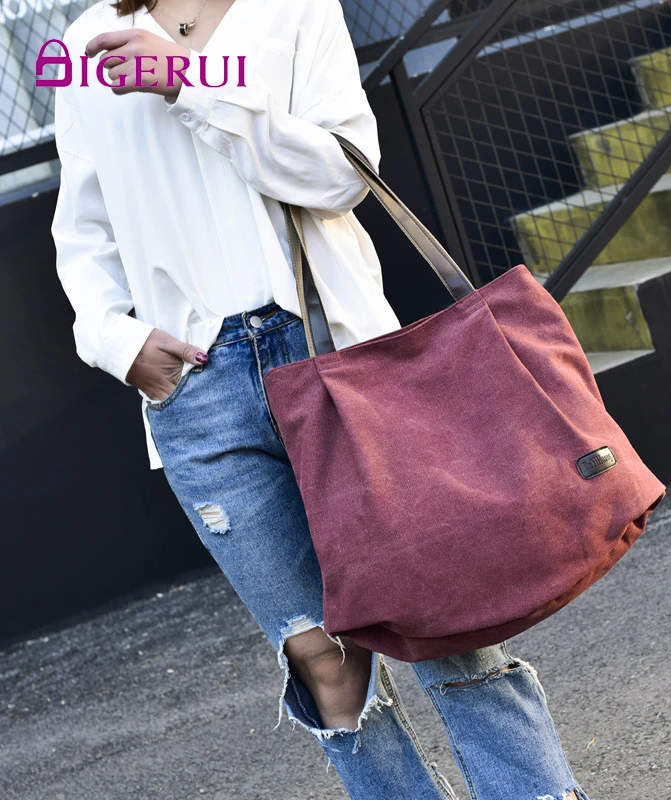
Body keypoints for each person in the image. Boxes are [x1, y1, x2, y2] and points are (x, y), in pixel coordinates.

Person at [50, 0, 592, 797]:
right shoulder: (83, 43)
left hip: (333, 351)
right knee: (321, 657)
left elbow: (341, 174)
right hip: (198, 388)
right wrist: (114, 340)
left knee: (437, 614)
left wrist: (190, 86)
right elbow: (82, 229)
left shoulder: (293, 7)